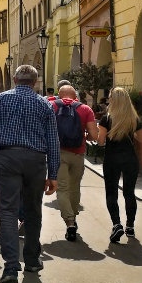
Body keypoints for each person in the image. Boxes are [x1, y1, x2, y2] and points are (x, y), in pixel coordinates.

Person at [0, 65, 59, 283]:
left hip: (7, 158)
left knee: (8, 211)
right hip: (35, 160)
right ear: (35, 81)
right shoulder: (45, 104)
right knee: (33, 210)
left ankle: (11, 266)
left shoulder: (0, 100)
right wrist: (53, 173)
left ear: (14, 79)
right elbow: (53, 141)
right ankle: (32, 259)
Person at [97, 87, 142, 243]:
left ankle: (116, 224)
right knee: (129, 192)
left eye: (110, 97)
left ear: (113, 100)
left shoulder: (106, 119)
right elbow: (141, 140)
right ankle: (130, 226)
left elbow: (101, 141)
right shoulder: (134, 119)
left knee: (111, 193)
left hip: (112, 158)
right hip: (130, 158)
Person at [52, 85, 98, 241]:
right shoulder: (85, 109)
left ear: (59, 95)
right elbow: (94, 135)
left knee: (62, 188)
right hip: (78, 153)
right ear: (75, 96)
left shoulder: (52, 106)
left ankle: (70, 223)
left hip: (58, 153)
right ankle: (74, 217)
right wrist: (84, 138)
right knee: (74, 187)